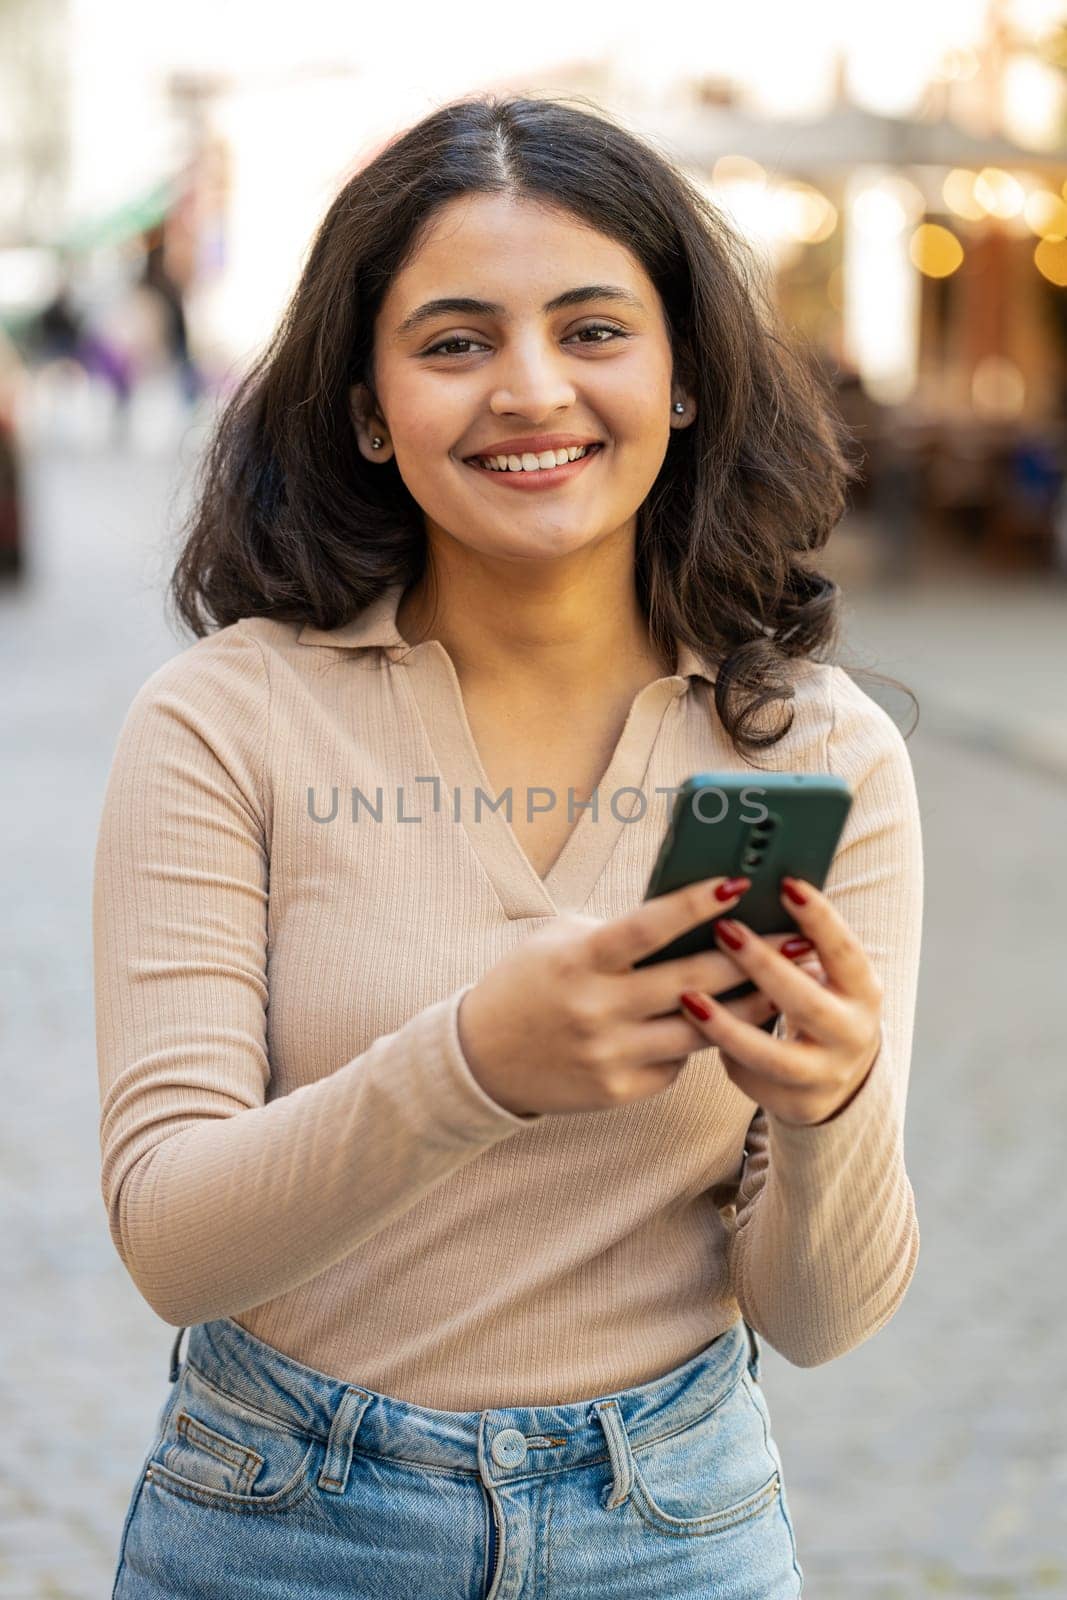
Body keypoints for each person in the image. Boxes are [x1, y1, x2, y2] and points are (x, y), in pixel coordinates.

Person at [93, 92, 923, 1599]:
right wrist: (472, 1065)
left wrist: (830, 1109)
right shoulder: (226, 722)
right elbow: (172, 1243)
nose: (531, 390)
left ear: (680, 377)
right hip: (279, 1526)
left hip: (674, 1532)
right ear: (366, 405)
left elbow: (818, 1315)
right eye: (456, 341)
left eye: (596, 330)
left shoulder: (812, 750)